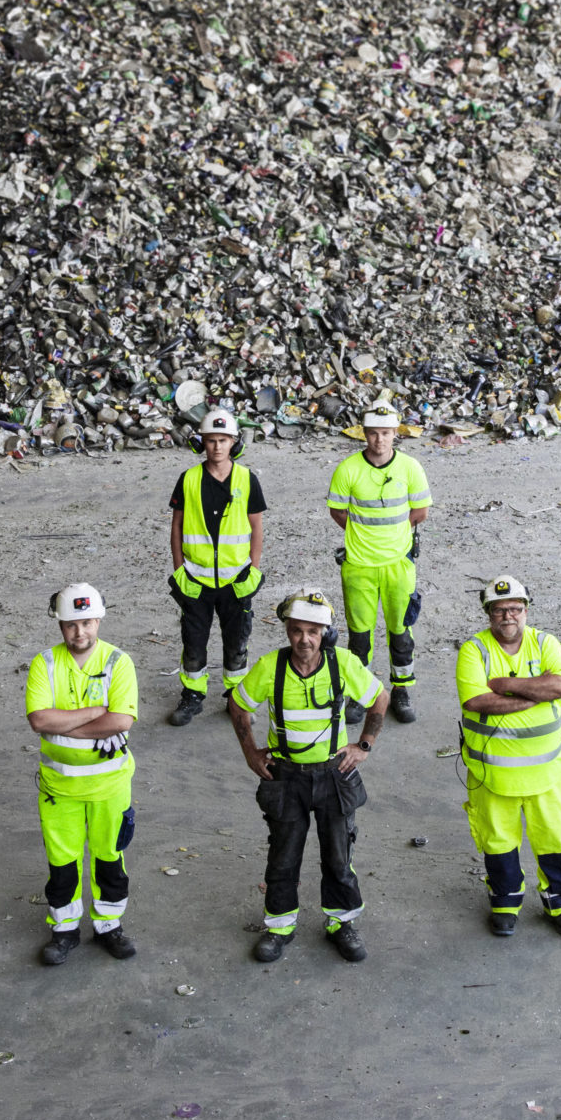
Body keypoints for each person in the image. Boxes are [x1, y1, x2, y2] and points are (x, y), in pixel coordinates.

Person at [228, 590, 386, 963]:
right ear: (286, 630)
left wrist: (363, 745)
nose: (304, 640)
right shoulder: (270, 667)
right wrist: (250, 753)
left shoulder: (342, 663)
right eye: (297, 630)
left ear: (325, 633)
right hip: (286, 778)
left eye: (313, 631)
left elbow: (379, 698)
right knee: (283, 857)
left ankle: (341, 923)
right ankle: (280, 927)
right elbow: (237, 705)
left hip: (334, 775)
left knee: (338, 854)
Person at [456, 576, 561, 938]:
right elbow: (476, 701)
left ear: (526, 611)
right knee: (498, 844)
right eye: (500, 610)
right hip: (492, 776)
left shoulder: (546, 643)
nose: (508, 616)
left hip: (547, 774)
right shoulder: (474, 651)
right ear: (488, 614)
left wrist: (507, 685)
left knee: (556, 841)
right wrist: (535, 693)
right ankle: (506, 903)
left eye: (515, 609)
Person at [23, 582, 140, 966]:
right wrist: (95, 712)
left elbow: (122, 719)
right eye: (71, 624)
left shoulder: (118, 662)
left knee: (110, 859)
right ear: (60, 625)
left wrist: (64, 725)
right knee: (62, 863)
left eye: (87, 623)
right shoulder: (45, 663)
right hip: (60, 788)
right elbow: (39, 720)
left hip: (110, 786)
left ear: (99, 619)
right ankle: (64, 930)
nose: (80, 632)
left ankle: (109, 925)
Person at [327, 408, 432, 723]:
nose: (379, 439)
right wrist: (364, 537)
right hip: (358, 566)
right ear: (364, 433)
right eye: (373, 432)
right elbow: (338, 512)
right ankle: (363, 693)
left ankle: (400, 690)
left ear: (395, 434)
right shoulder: (348, 469)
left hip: (398, 566)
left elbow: (420, 512)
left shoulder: (410, 467)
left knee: (401, 632)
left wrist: (392, 538)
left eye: (386, 433)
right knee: (360, 635)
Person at [166, 407, 266, 726]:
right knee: (193, 641)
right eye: (211, 440)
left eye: (223, 440)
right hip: (195, 580)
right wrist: (179, 569)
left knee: (237, 641)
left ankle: (235, 697)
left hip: (237, 580)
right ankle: (193, 695)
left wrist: (253, 569)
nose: (217, 447)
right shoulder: (189, 479)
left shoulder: (247, 479)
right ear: (202, 443)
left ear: (234, 443)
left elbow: (257, 527)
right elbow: (177, 527)